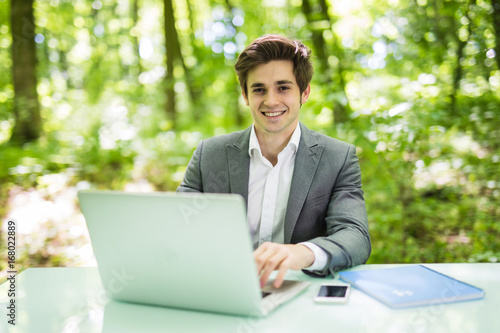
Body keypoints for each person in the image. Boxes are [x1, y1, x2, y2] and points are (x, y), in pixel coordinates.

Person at [177, 34, 370, 288]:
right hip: (220, 289)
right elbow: (177, 225)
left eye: (283, 87)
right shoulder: (208, 155)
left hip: (299, 293)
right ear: (245, 96)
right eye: (259, 89)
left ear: (304, 92)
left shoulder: (338, 158)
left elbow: (355, 236)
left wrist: (301, 253)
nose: (270, 101)